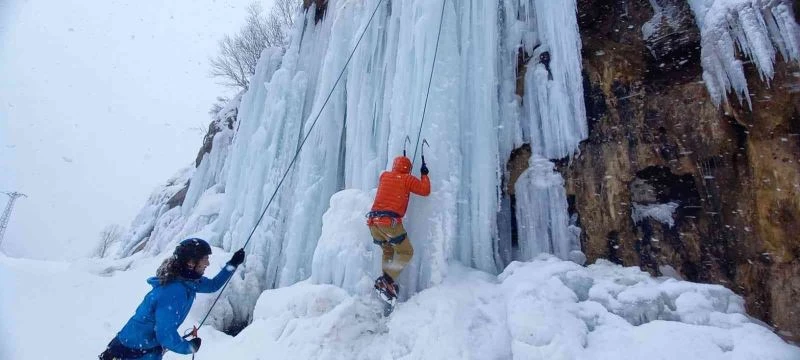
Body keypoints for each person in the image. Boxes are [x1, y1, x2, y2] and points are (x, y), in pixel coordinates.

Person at [99, 238, 245, 360]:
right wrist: (188, 347)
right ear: (190, 263)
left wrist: (232, 264)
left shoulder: (188, 282)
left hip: (141, 349)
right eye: (205, 259)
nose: (208, 263)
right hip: (131, 353)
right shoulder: (174, 292)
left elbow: (212, 285)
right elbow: (165, 335)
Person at [366, 155, 430, 301]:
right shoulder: (407, 179)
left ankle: (386, 283)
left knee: (388, 249)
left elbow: (392, 188)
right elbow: (425, 190)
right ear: (408, 169)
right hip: (389, 223)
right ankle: (386, 281)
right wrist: (424, 174)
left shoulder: (384, 176)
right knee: (406, 251)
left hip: (373, 223)